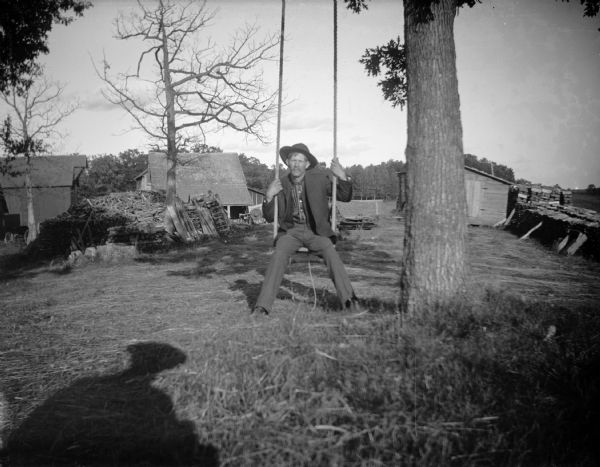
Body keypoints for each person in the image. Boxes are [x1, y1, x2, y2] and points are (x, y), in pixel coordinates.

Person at [252, 143, 359, 315]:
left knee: (330, 252)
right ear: (287, 162)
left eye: (300, 161)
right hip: (291, 232)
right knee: (278, 254)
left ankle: (349, 301)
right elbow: (270, 217)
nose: (296, 164)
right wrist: (269, 196)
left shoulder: (320, 179)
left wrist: (344, 177)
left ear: (307, 164)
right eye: (293, 160)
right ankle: (262, 306)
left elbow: (345, 197)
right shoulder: (282, 183)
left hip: (316, 231)